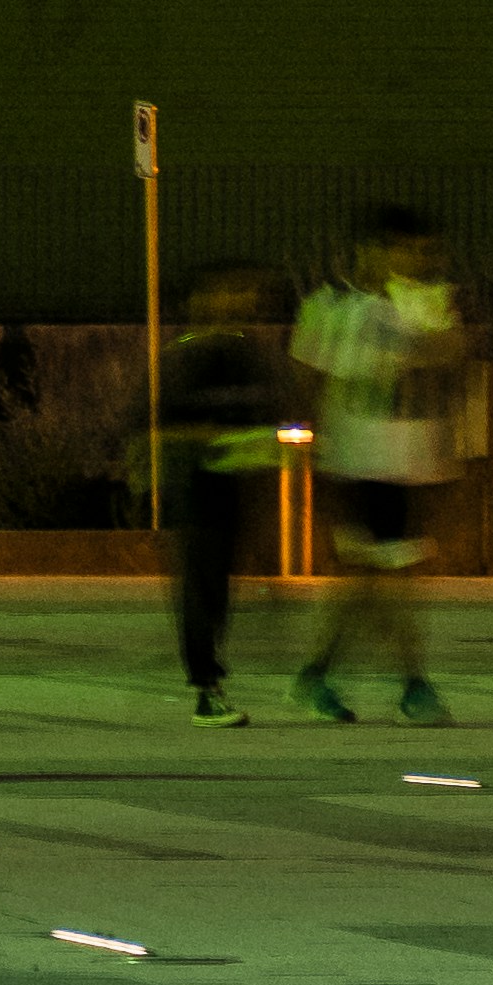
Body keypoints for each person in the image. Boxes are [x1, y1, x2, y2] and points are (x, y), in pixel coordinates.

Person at [293, 207, 472, 725]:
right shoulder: (331, 306)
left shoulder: (427, 303)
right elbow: (307, 375)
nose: (418, 261)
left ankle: (318, 675)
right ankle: (414, 687)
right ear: (374, 250)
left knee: (369, 581)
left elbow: (449, 361)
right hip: (358, 461)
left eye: (425, 252)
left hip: (412, 459)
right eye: (407, 249)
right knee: (392, 576)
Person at [153, 265, 288, 720]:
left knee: (219, 592)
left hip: (236, 485)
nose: (236, 303)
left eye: (243, 293)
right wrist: (202, 437)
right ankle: (206, 689)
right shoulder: (183, 359)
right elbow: (155, 426)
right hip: (195, 487)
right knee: (200, 589)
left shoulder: (248, 355)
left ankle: (210, 682)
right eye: (226, 293)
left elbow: (268, 414)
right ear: (198, 303)